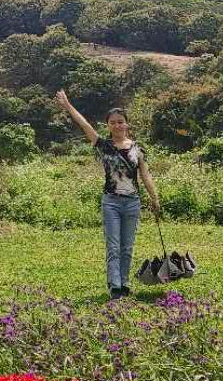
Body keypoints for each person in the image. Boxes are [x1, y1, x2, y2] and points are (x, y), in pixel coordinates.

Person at [55, 89, 160, 299]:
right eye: (113, 122)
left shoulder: (137, 149)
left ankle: (125, 282)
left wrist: (154, 198)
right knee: (113, 246)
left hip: (132, 203)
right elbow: (85, 125)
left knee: (127, 247)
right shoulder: (103, 146)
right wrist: (67, 106)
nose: (117, 125)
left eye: (121, 121)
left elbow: (146, 175)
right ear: (108, 125)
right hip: (111, 202)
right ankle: (115, 286)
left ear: (127, 124)